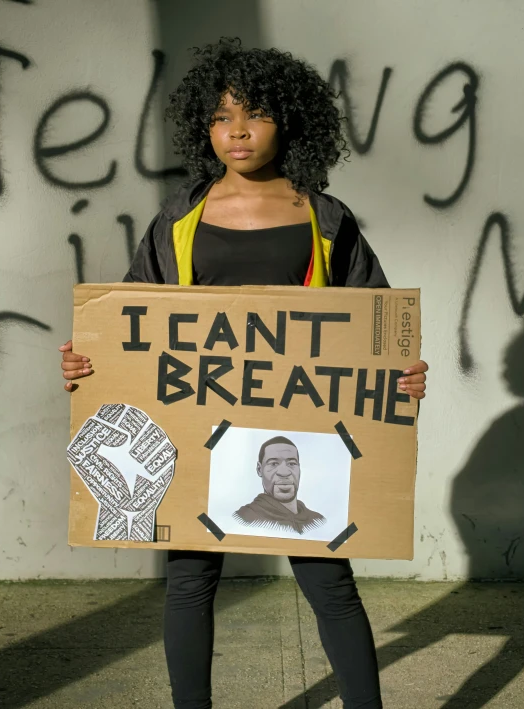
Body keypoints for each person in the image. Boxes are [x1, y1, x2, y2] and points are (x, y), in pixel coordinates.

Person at [59, 38, 428, 709]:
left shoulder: (324, 217)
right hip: (197, 432)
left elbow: (374, 322)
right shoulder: (178, 216)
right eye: (222, 115)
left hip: (301, 430)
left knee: (330, 585)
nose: (236, 129)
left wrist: (401, 376)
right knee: (190, 582)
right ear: (204, 126)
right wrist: (92, 362)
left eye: (254, 113)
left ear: (288, 122)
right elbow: (135, 317)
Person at [234, 435, 326, 534]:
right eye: (273, 464)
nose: (284, 473)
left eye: (291, 464)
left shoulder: (317, 521)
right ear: (259, 469)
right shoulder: (245, 518)